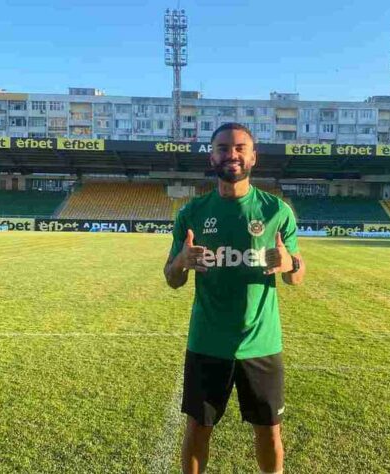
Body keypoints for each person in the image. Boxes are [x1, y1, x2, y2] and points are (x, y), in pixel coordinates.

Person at [164, 122, 306, 474]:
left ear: (253, 156)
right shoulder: (191, 214)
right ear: (211, 156)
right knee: (198, 428)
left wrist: (289, 262)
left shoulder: (276, 211)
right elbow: (173, 279)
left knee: (269, 431)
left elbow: (297, 277)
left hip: (262, 343)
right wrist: (182, 261)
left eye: (241, 147)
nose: (232, 154)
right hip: (208, 341)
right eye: (224, 147)